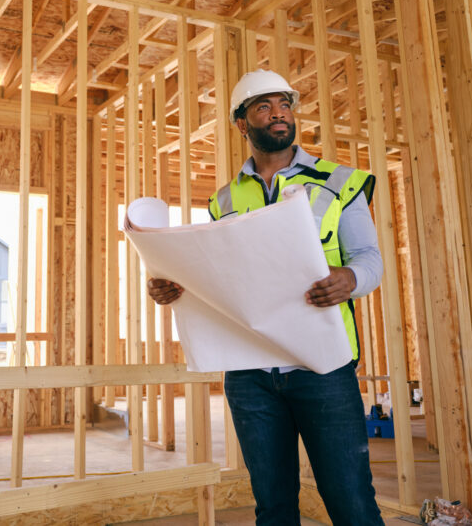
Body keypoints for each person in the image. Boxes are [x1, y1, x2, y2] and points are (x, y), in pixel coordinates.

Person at [147, 69, 385, 525]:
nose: (279, 114)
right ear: (242, 123)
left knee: (351, 502)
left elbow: (370, 258)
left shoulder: (340, 182)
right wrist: (175, 286)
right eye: (264, 107)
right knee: (273, 507)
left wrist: (350, 279)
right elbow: (218, 275)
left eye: (285, 105)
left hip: (323, 368)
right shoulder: (224, 200)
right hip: (250, 375)